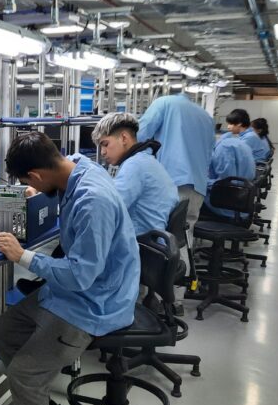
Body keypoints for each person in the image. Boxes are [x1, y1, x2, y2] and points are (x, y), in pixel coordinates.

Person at [0, 132, 140, 405]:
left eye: (27, 182)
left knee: (25, 375)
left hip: (95, 302)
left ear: (37, 174)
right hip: (71, 291)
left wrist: (23, 257)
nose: (29, 187)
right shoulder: (77, 166)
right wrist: (35, 192)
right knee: (3, 331)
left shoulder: (93, 200)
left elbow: (81, 276)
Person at [137, 93, 214, 313]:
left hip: (170, 182)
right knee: (182, 239)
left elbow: (138, 135)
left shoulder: (164, 103)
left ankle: (148, 300)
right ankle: (175, 300)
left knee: (155, 240)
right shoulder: (205, 116)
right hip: (197, 186)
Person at [92, 112, 179, 236]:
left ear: (124, 138)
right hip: (155, 237)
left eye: (105, 144)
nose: (102, 152)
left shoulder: (134, 165)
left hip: (140, 241)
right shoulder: (146, 160)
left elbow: (110, 207)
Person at [201, 136, 256, 221]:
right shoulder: (238, 143)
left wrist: (202, 182)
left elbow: (226, 184)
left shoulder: (223, 148)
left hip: (227, 206)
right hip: (242, 200)